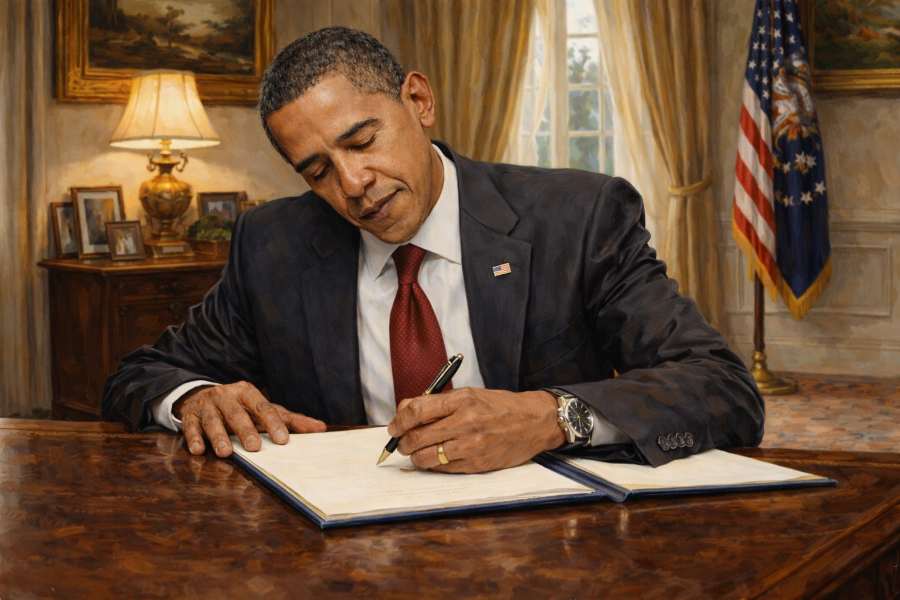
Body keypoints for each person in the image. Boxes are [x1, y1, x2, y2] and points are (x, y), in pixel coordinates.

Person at [102, 27, 764, 473]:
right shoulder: (271, 244)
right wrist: (191, 397)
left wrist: (551, 415)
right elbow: (139, 375)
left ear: (418, 100)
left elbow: (722, 388)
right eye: (317, 171)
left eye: (362, 141)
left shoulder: (579, 217)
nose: (353, 185)